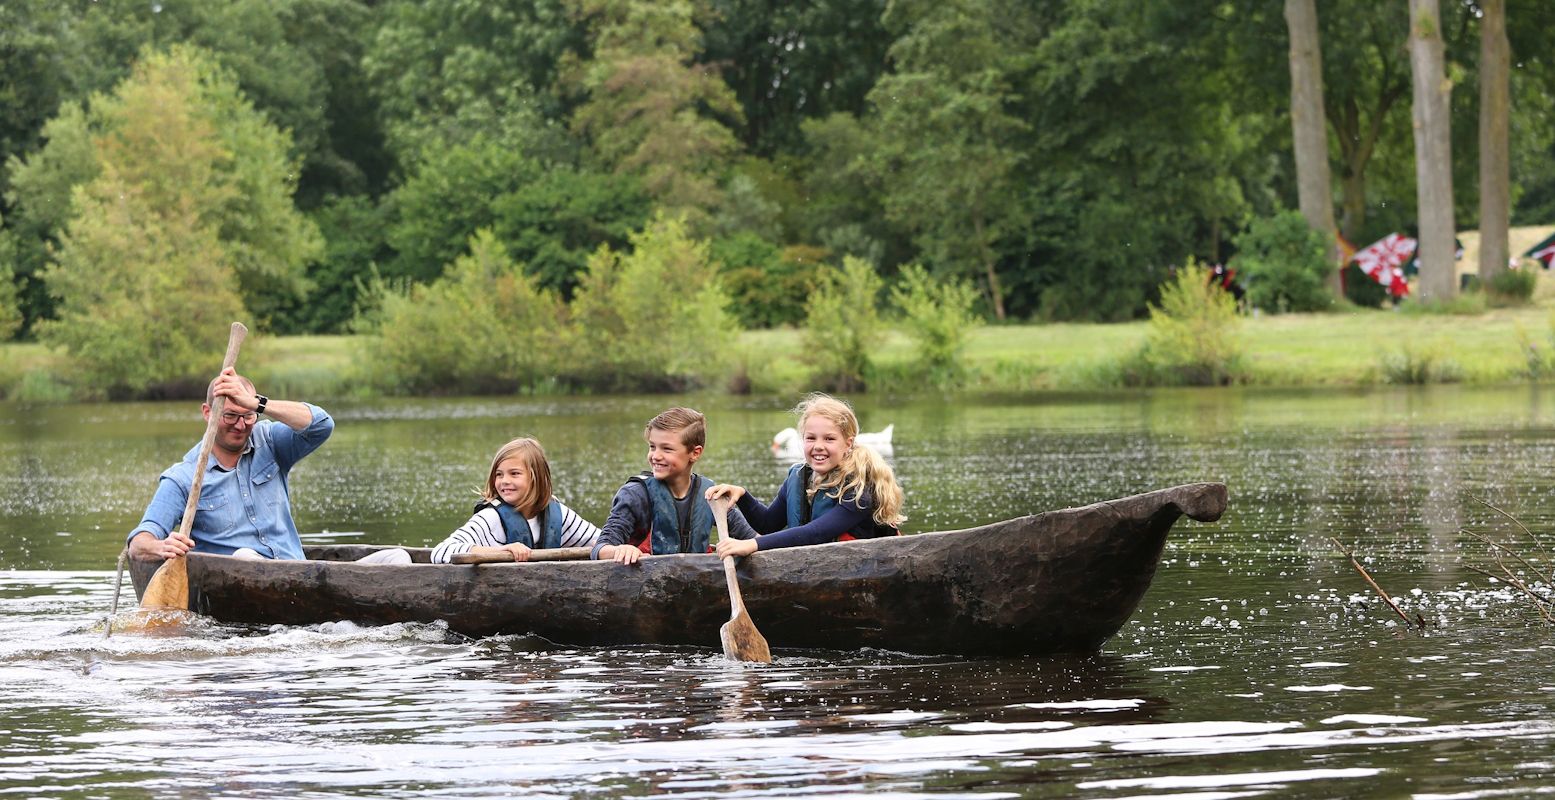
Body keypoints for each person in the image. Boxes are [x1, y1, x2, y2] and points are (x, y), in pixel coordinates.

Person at [126, 368, 409, 565]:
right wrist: (161, 546)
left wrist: (258, 404)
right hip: (240, 580)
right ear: (207, 413)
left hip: (299, 577)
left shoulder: (270, 440)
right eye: (231, 416)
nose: (240, 425)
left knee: (398, 559)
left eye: (247, 416)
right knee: (245, 557)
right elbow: (139, 543)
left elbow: (322, 425)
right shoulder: (183, 477)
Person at [708, 393, 904, 557]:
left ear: (848, 443)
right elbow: (768, 524)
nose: (818, 446)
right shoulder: (799, 477)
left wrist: (751, 544)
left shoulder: (859, 489)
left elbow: (816, 533)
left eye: (829, 439)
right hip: (815, 566)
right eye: (811, 438)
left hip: (859, 569)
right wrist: (742, 495)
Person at [593, 407, 758, 564]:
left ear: (695, 453)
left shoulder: (711, 495)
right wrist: (620, 550)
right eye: (652, 446)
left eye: (667, 449)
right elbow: (600, 549)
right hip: (647, 585)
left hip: (698, 581)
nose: (655, 456)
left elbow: (753, 539)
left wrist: (744, 545)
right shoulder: (635, 494)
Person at [430, 437, 600, 563]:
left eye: (515, 473)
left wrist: (607, 547)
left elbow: (602, 540)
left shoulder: (560, 515)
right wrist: (499, 551)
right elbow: (440, 551)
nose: (504, 481)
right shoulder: (490, 519)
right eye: (499, 474)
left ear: (535, 478)